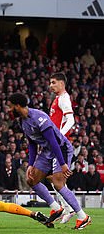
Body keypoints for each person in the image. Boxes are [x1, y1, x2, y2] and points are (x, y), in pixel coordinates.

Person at [6, 93, 91, 230]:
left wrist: (63, 164)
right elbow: (32, 144)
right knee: (31, 180)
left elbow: (54, 141)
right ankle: (56, 208)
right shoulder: (23, 122)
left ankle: (83, 217)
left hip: (60, 148)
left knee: (58, 183)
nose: (9, 110)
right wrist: (31, 164)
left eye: (10, 107)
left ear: (17, 106)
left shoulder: (38, 118)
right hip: (47, 151)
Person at [48, 73, 77, 223]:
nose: (50, 85)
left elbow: (71, 119)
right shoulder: (58, 98)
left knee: (57, 180)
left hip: (60, 145)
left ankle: (72, 210)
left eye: (53, 82)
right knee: (53, 179)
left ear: (61, 83)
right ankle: (67, 208)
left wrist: (59, 135)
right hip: (54, 145)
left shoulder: (64, 98)